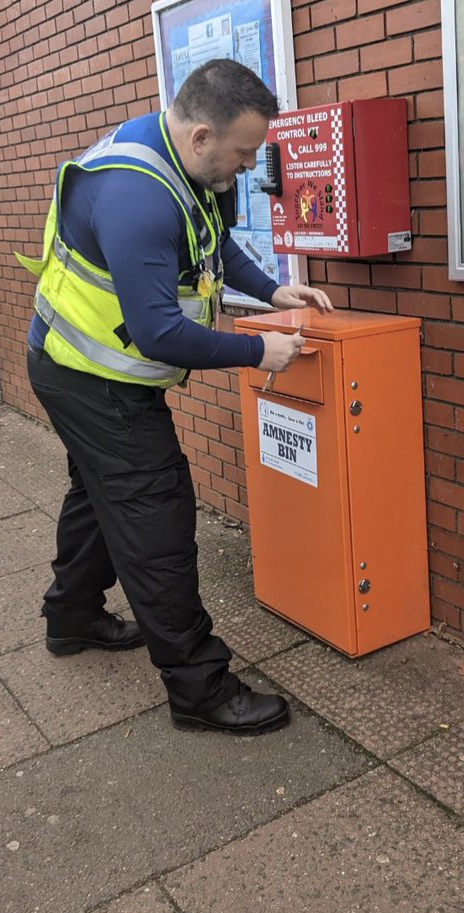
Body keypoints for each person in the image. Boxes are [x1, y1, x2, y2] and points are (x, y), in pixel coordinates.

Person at [20, 59, 333, 735]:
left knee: (98, 495)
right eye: (243, 151)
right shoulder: (137, 199)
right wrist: (258, 349)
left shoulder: (187, 163)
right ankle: (199, 688)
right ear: (199, 136)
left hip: (70, 364)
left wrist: (272, 291)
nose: (250, 166)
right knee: (154, 519)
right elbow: (160, 332)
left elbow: (215, 246)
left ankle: (71, 617)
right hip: (89, 378)